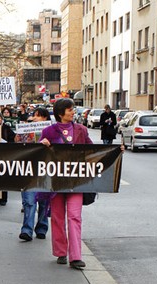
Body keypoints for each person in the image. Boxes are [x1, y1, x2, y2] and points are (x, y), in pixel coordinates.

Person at [39, 98, 93, 269]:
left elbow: (93, 151)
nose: (73, 112)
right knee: (57, 218)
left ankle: (76, 256)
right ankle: (61, 252)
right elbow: (40, 156)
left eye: (73, 109)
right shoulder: (49, 131)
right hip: (56, 183)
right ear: (60, 112)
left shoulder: (81, 130)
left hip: (76, 181)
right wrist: (42, 146)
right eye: (70, 109)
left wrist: (115, 151)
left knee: (75, 217)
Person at [19, 107, 51, 242]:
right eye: (34, 115)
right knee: (29, 201)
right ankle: (27, 229)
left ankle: (42, 228)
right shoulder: (26, 129)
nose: (35, 118)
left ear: (45, 118)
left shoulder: (52, 131)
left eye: (38, 116)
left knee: (43, 202)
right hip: (29, 170)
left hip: (45, 171)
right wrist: (21, 133)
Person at [0, 112, 16, 206]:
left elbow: (13, 139)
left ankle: (3, 199)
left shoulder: (6, 128)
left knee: (3, 177)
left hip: (5, 155)